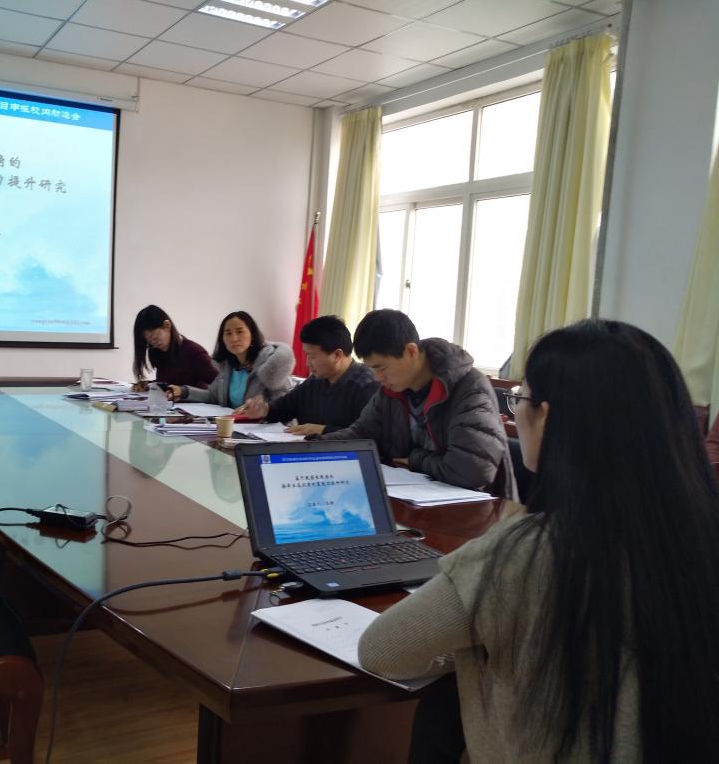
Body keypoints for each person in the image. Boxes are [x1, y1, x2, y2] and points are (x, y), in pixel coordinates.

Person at [357, 319, 719, 762]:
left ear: (546, 417)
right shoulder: (697, 534)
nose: (515, 413)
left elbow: (382, 651)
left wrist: (483, 640)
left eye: (519, 400)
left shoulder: (526, 551)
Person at [318, 309, 515, 499]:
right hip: (417, 497)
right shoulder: (393, 389)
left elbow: (473, 470)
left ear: (411, 351)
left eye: (382, 368)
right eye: (372, 369)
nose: (378, 378)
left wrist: (416, 459)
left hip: (479, 506)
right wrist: (314, 447)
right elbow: (362, 433)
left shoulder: (469, 387)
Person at [235, 315, 377, 436]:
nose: (307, 363)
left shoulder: (367, 385)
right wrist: (264, 410)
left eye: (312, 356)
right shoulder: (315, 381)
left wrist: (323, 430)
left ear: (337, 355)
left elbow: (369, 437)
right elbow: (284, 407)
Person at [168, 311, 293, 408]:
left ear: (252, 334)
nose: (234, 338)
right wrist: (183, 392)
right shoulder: (227, 366)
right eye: (228, 333)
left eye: (240, 332)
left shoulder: (272, 364)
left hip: (267, 430)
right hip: (236, 429)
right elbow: (212, 397)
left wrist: (261, 409)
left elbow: (285, 405)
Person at [131, 305, 217, 390]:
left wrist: (184, 392)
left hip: (196, 399)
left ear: (167, 325)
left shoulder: (194, 352)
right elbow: (170, 382)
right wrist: (149, 385)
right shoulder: (159, 352)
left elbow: (220, 387)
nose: (154, 344)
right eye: (149, 342)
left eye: (155, 338)